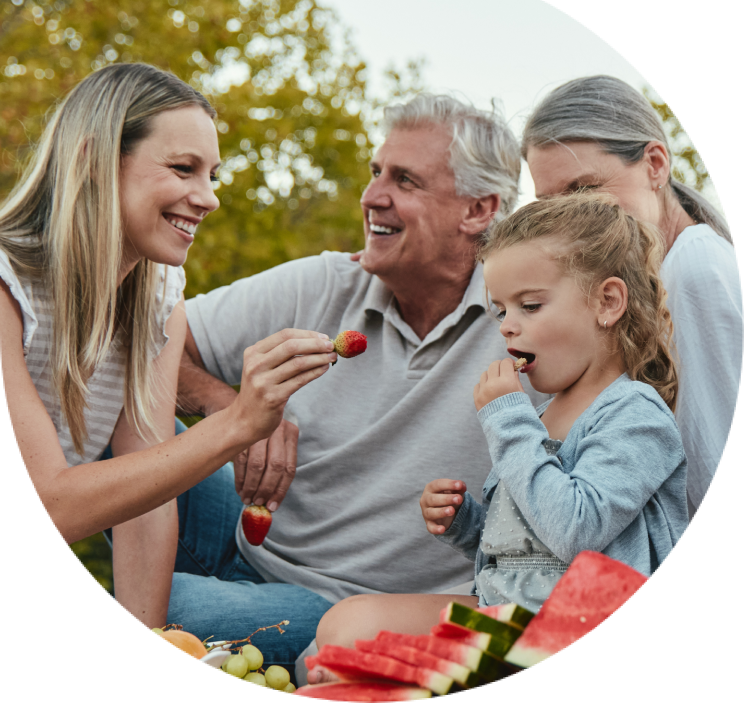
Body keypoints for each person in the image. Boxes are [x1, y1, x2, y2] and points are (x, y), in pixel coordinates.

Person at [175, 94, 552, 674]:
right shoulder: (327, 282)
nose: (372, 196)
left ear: (478, 210)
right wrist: (231, 411)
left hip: (339, 605)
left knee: (160, 602)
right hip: (245, 527)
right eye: (377, 172)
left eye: (404, 180)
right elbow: (156, 341)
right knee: (94, 410)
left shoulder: (530, 327)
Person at [0, 63, 334, 632]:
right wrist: (236, 422)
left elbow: (150, 493)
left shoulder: (156, 292)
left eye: (212, 174)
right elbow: (51, 504)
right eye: (183, 169)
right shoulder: (7, 285)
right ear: (92, 162)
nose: (208, 199)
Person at [311, 192, 689, 660]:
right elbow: (521, 549)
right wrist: (465, 523)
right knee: (337, 632)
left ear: (607, 302)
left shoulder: (634, 413)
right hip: (510, 612)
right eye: (500, 310)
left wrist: (509, 419)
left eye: (529, 306)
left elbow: (576, 531)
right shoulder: (540, 414)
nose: (507, 326)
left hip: (571, 622)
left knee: (346, 639)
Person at [521, 75, 742, 520]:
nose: (568, 219)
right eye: (549, 204)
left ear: (655, 164)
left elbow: (709, 459)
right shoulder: (633, 284)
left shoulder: (693, 268)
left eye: (583, 189)